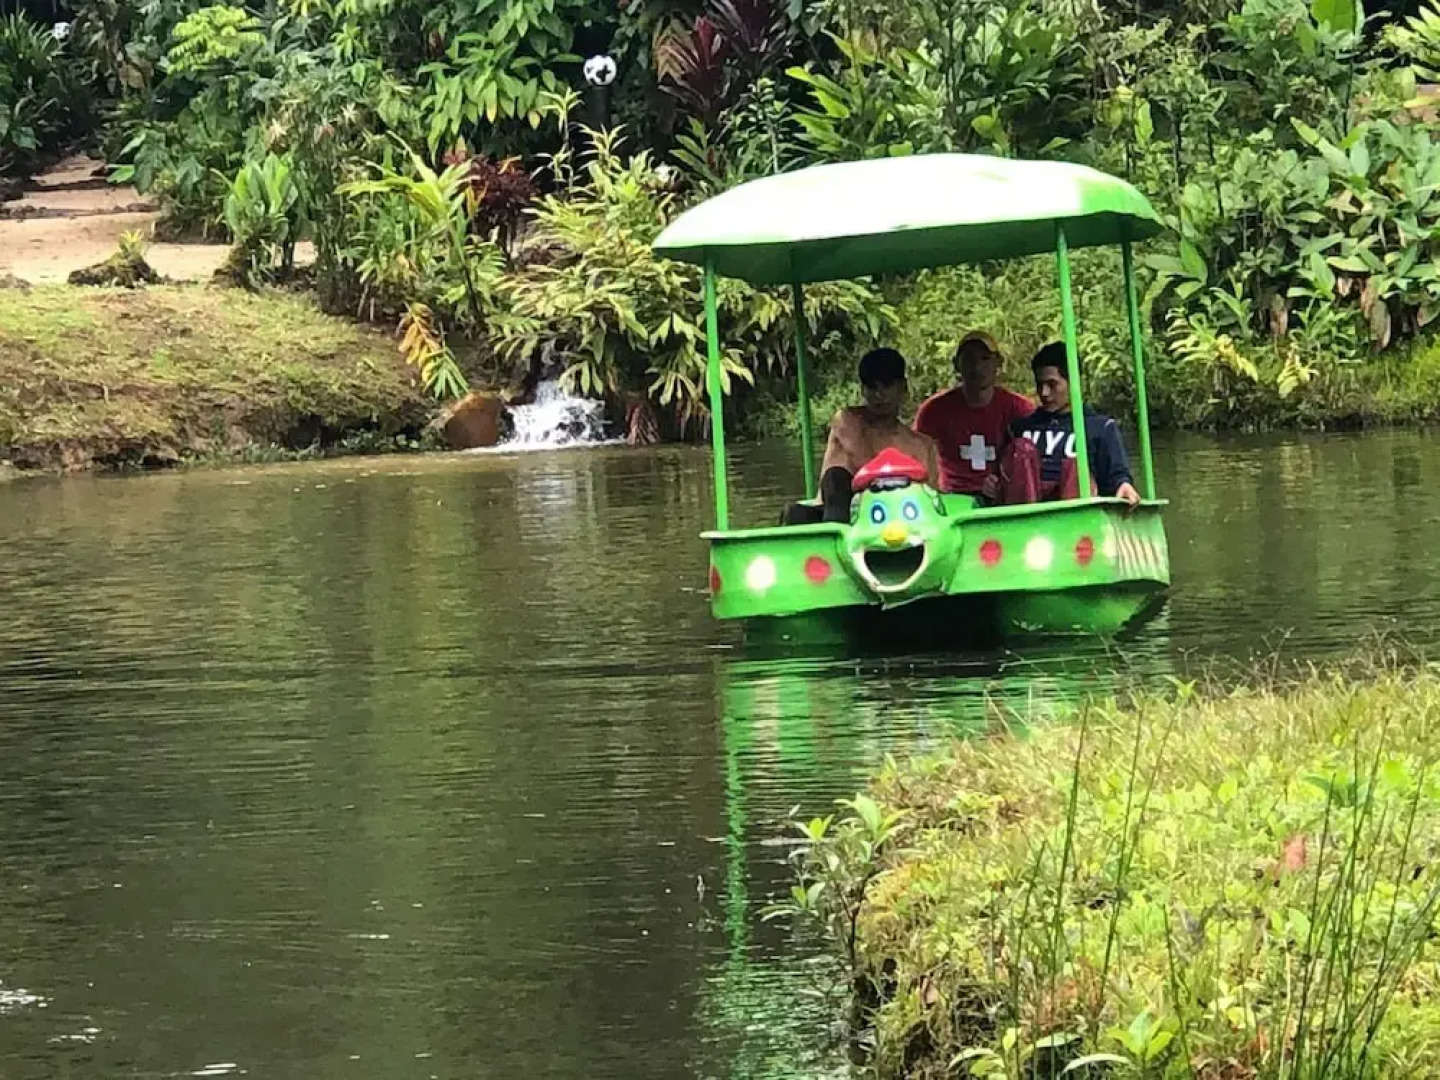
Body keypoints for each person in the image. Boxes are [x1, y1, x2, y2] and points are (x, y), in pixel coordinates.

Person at [988, 342, 1141, 508]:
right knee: (1022, 449)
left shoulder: (1100, 428)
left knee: (1075, 467)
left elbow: (1117, 475)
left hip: (1076, 512)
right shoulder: (1020, 429)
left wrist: (1123, 484)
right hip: (1025, 508)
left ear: (1073, 382)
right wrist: (994, 484)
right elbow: (999, 474)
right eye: (1040, 385)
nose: (1044, 393)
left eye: (1052, 384)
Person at [815, 348, 940, 522]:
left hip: (904, 520)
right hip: (844, 517)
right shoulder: (847, 421)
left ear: (902, 387)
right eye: (872, 387)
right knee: (835, 477)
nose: (879, 395)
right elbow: (869, 470)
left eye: (887, 386)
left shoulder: (922, 445)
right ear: (862, 390)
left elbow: (933, 496)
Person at [913, 331, 1034, 496]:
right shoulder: (933, 411)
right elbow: (918, 458)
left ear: (998, 362)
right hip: (951, 497)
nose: (977, 367)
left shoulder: (1020, 408)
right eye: (969, 360)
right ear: (957, 364)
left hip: (1003, 498)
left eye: (985, 359)